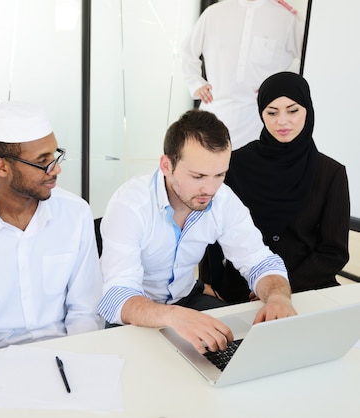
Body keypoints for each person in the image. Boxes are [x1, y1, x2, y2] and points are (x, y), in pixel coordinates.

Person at [97, 109, 297, 354]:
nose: (209, 188)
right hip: (137, 311)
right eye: (198, 176)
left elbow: (259, 261)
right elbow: (116, 296)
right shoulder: (130, 205)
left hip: (186, 300)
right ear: (166, 165)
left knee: (242, 350)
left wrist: (279, 297)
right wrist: (174, 316)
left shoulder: (222, 199)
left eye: (219, 175)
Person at [0, 101, 103, 355]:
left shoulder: (76, 214)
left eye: (55, 155)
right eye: (43, 161)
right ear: (1, 166)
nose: (56, 169)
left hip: (70, 351)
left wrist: (73, 358)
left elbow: (86, 311)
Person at [203, 72, 350, 303]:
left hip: (306, 288)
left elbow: (334, 252)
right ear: (261, 113)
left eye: (293, 111)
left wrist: (277, 287)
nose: (282, 121)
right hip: (241, 290)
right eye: (272, 112)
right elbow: (211, 231)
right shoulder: (236, 164)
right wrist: (208, 284)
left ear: (307, 111)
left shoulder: (330, 173)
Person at [181, 0, 304, 149]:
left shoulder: (286, 18)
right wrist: (196, 83)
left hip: (259, 120)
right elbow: (188, 52)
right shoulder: (214, 13)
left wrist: (280, 86)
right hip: (214, 110)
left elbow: (310, 59)